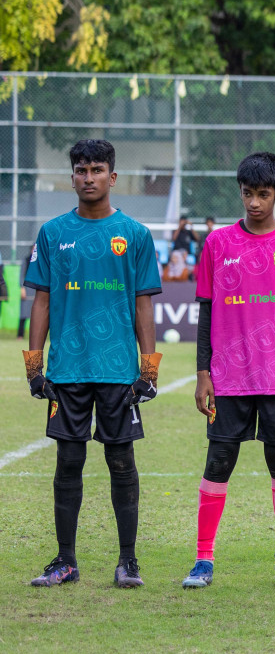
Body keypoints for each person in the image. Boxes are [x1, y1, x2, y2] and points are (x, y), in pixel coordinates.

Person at [22, 139, 161, 588]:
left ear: (112, 177)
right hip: (67, 370)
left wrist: (148, 367)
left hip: (119, 370)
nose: (88, 177)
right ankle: (65, 561)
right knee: (68, 461)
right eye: (80, 170)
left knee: (122, 462)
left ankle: (128, 562)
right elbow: (41, 301)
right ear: (73, 176)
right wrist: (34, 363)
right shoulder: (52, 232)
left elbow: (143, 305)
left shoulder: (136, 235)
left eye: (97, 169)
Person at [182, 152, 275, 591]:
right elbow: (205, 314)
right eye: (247, 194)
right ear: (239, 192)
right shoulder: (218, 243)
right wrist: (203, 372)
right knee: (218, 462)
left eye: (263, 194)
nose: (255, 203)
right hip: (229, 376)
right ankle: (203, 560)